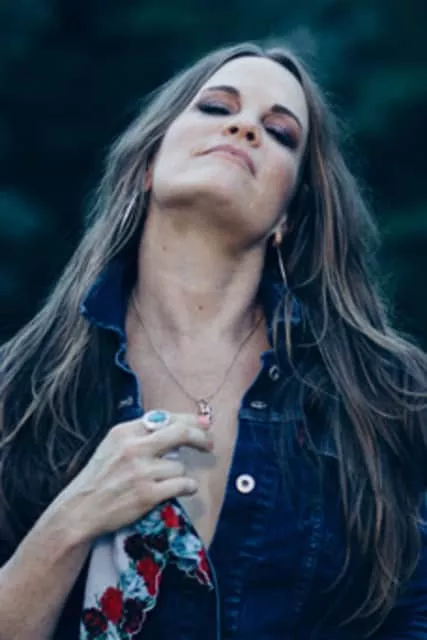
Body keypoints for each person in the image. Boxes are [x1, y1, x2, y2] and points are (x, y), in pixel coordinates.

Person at [0, 40, 426, 640]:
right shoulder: (18, 393)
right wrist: (70, 523)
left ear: (287, 219)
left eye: (279, 133)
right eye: (216, 107)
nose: (244, 126)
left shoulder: (388, 397)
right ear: (148, 166)